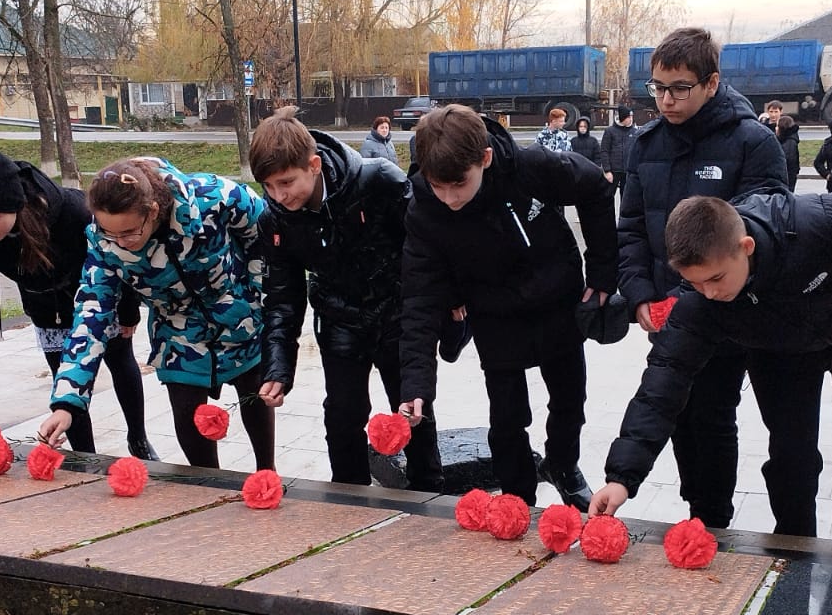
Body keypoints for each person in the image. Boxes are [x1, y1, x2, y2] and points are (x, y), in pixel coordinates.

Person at [591, 192, 832, 546]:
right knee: (791, 454)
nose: (708, 293)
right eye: (696, 283)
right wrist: (622, 477)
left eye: (716, 278)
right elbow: (662, 383)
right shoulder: (699, 303)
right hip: (780, 352)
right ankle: (796, 543)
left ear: (746, 246)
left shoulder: (819, 222)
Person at [398, 103, 616, 508]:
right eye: (438, 186)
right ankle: (517, 496)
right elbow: (419, 298)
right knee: (507, 416)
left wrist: (602, 273)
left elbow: (596, 188)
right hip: (494, 312)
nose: (448, 198)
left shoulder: (531, 168)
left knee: (570, 399)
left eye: (458, 185)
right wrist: (416, 384)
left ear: (485, 158)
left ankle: (563, 466)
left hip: (556, 297)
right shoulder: (425, 212)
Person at [617, 26, 788, 528]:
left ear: (711, 83)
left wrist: (691, 294)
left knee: (711, 414)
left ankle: (712, 518)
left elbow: (760, 235)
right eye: (657, 88)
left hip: (723, 310)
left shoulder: (752, 143)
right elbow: (629, 228)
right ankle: (696, 506)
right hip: (665, 312)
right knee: (676, 414)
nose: (666, 100)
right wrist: (640, 297)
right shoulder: (645, 145)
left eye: (679, 88)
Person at [0, 149, 153, 459]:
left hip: (98, 302)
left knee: (120, 361)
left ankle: (138, 439)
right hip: (45, 308)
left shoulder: (73, 213)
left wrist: (129, 311)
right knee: (64, 382)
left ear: (16, 203)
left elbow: (119, 261)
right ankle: (85, 459)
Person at [38, 158, 274, 470]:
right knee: (188, 415)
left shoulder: (212, 197)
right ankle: (208, 487)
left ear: (151, 211)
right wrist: (67, 403)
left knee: (254, 397)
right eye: (110, 233)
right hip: (177, 330)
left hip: (239, 314)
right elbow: (90, 317)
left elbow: (267, 230)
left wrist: (256, 296)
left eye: (129, 232)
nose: (121, 243)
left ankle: (268, 473)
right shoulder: (103, 244)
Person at [251, 108, 443, 490]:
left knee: (412, 409)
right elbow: (282, 297)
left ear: (314, 165)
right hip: (338, 318)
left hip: (395, 312)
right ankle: (348, 497)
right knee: (342, 415)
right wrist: (277, 367)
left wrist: (440, 310)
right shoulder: (274, 218)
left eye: (286, 182)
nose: (279, 195)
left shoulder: (379, 181)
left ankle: (428, 490)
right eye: (269, 186)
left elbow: (423, 251)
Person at [598, 103, 637, 194]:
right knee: (608, 197)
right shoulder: (610, 131)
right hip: (613, 171)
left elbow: (637, 152)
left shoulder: (635, 132)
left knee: (626, 199)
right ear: (623, 117)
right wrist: (607, 171)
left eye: (631, 116)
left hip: (628, 172)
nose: (631, 119)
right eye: (628, 117)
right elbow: (604, 151)